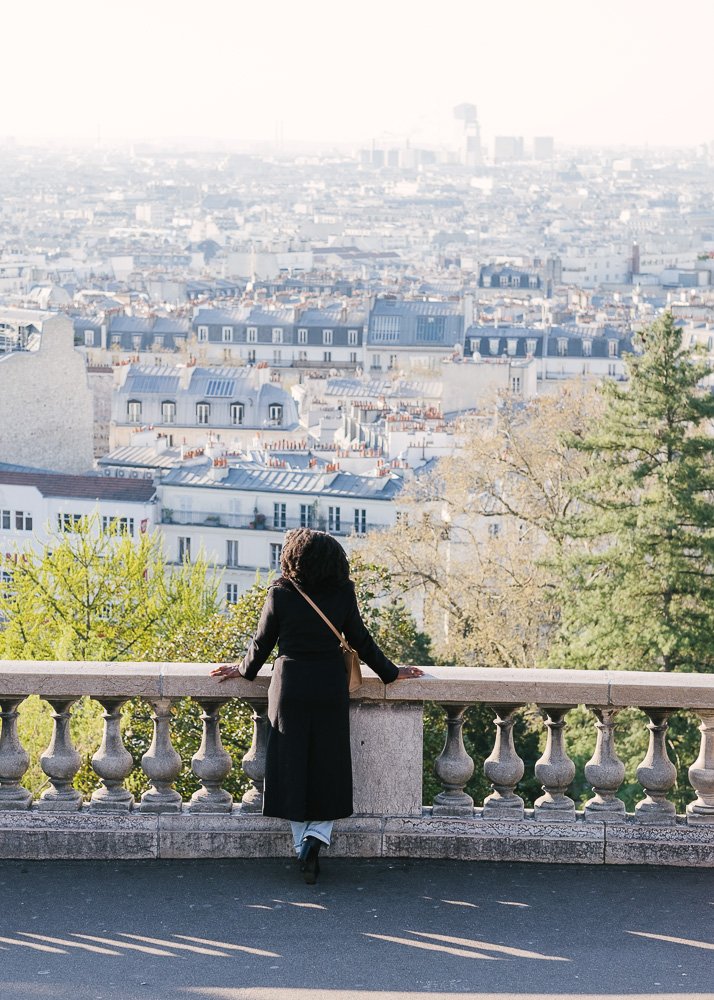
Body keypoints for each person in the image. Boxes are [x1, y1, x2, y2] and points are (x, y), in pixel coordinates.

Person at [211, 528, 423, 883]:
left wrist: (241, 669)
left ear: (293, 558)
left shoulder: (280, 593)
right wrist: (391, 672)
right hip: (328, 685)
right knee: (329, 767)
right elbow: (361, 640)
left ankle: (302, 846)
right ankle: (316, 837)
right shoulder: (343, 593)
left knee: (291, 766)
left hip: (289, 686)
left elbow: (262, 642)